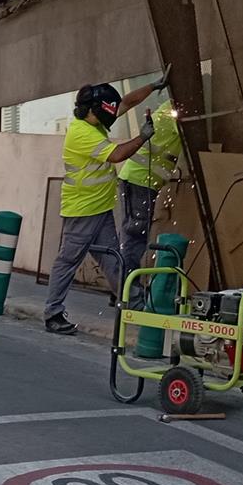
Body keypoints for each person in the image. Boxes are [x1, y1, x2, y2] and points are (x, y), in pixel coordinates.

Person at [43, 77, 165, 336]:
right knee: (68, 261)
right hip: (83, 210)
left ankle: (134, 306)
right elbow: (117, 155)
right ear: (95, 109)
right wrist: (142, 137)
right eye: (108, 108)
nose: (113, 112)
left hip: (99, 208)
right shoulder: (82, 133)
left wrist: (154, 86)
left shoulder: (95, 121)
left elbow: (126, 103)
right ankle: (53, 313)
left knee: (113, 259)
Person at [115, 93, 181, 297]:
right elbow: (193, 133)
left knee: (133, 234)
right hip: (140, 179)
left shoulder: (166, 110)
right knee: (136, 234)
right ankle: (126, 289)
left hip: (140, 179)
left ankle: (121, 286)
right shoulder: (172, 114)